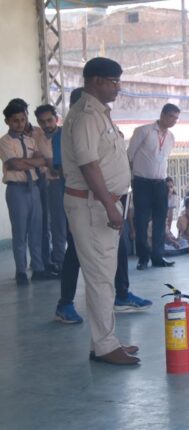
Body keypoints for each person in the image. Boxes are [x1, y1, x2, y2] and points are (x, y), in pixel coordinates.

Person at [61, 57, 140, 365]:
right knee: (100, 277)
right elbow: (89, 165)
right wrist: (110, 204)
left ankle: (105, 341)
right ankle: (105, 346)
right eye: (113, 82)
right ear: (94, 81)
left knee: (105, 274)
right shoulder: (84, 116)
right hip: (92, 205)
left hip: (103, 203)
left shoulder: (100, 114)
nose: (117, 88)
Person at [1, 101, 55, 285]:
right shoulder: (4, 142)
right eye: (15, 120)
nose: (20, 123)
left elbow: (43, 161)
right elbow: (14, 164)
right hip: (17, 190)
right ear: (7, 121)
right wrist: (34, 162)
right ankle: (21, 271)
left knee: (36, 230)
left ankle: (38, 269)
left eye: (23, 120)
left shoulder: (31, 140)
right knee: (20, 232)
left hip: (34, 189)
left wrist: (30, 162)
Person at [128, 103, 180, 270]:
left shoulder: (171, 137)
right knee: (141, 221)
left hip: (160, 183)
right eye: (171, 116)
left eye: (176, 118)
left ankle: (158, 256)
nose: (173, 121)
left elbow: (163, 160)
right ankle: (143, 257)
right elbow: (129, 156)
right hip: (142, 182)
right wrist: (131, 178)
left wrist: (167, 181)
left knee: (160, 222)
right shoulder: (143, 131)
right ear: (163, 115)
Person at [32, 104, 68, 274]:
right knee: (57, 224)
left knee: (75, 224)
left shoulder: (67, 135)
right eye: (42, 122)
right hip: (53, 184)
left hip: (72, 182)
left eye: (49, 120)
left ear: (57, 119)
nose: (46, 124)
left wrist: (48, 161)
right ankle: (60, 261)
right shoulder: (36, 137)